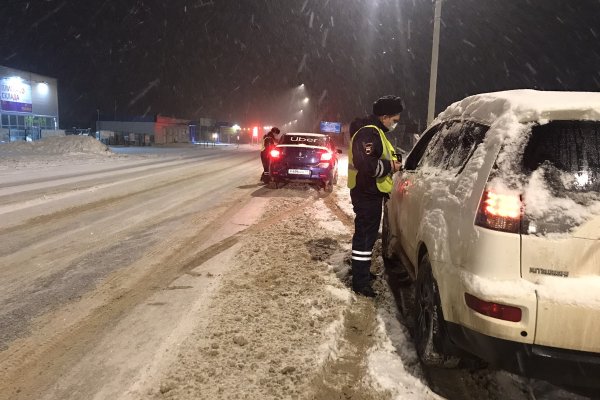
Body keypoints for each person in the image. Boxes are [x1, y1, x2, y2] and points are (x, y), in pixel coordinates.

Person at [347, 95, 403, 297]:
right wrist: (391, 166)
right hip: (366, 193)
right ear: (385, 116)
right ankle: (360, 283)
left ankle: (362, 273)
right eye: (394, 120)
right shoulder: (369, 133)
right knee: (364, 237)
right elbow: (367, 165)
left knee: (367, 236)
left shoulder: (375, 132)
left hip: (370, 192)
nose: (395, 124)